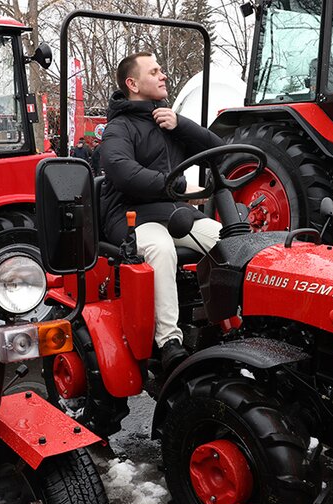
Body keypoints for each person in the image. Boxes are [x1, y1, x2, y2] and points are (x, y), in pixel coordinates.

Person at [99, 52, 225, 373]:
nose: (163, 75)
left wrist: (181, 124)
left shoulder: (169, 122)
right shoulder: (119, 129)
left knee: (225, 241)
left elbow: (218, 149)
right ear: (133, 84)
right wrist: (173, 185)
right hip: (129, 216)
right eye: (154, 71)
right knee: (161, 248)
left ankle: (227, 318)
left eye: (161, 69)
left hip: (171, 213)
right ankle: (169, 340)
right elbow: (122, 171)